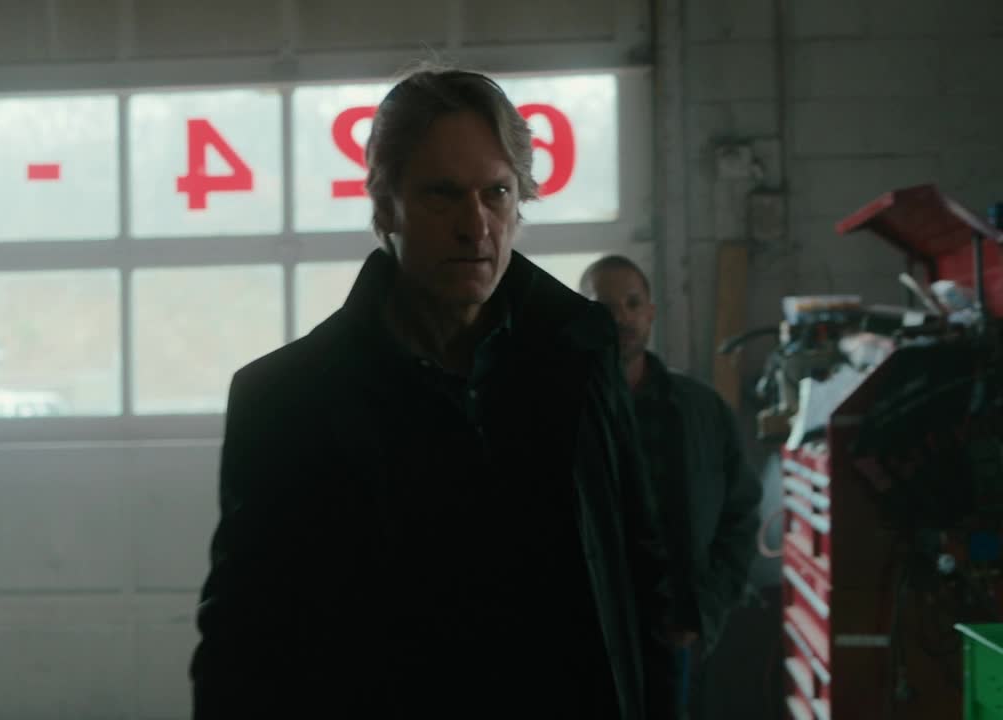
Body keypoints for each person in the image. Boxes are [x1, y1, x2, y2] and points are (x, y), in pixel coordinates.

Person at [191, 67, 675, 719]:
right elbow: (240, 642)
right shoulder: (285, 400)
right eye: (442, 195)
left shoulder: (581, 352)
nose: (475, 226)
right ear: (384, 206)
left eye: (496, 193)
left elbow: (640, 571)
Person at [581, 255, 762, 719]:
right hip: (591, 640)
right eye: (604, 307)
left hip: (676, 635)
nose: (621, 318)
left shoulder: (702, 411)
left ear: (651, 313)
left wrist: (707, 608)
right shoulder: (562, 414)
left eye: (632, 303)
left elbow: (740, 515)